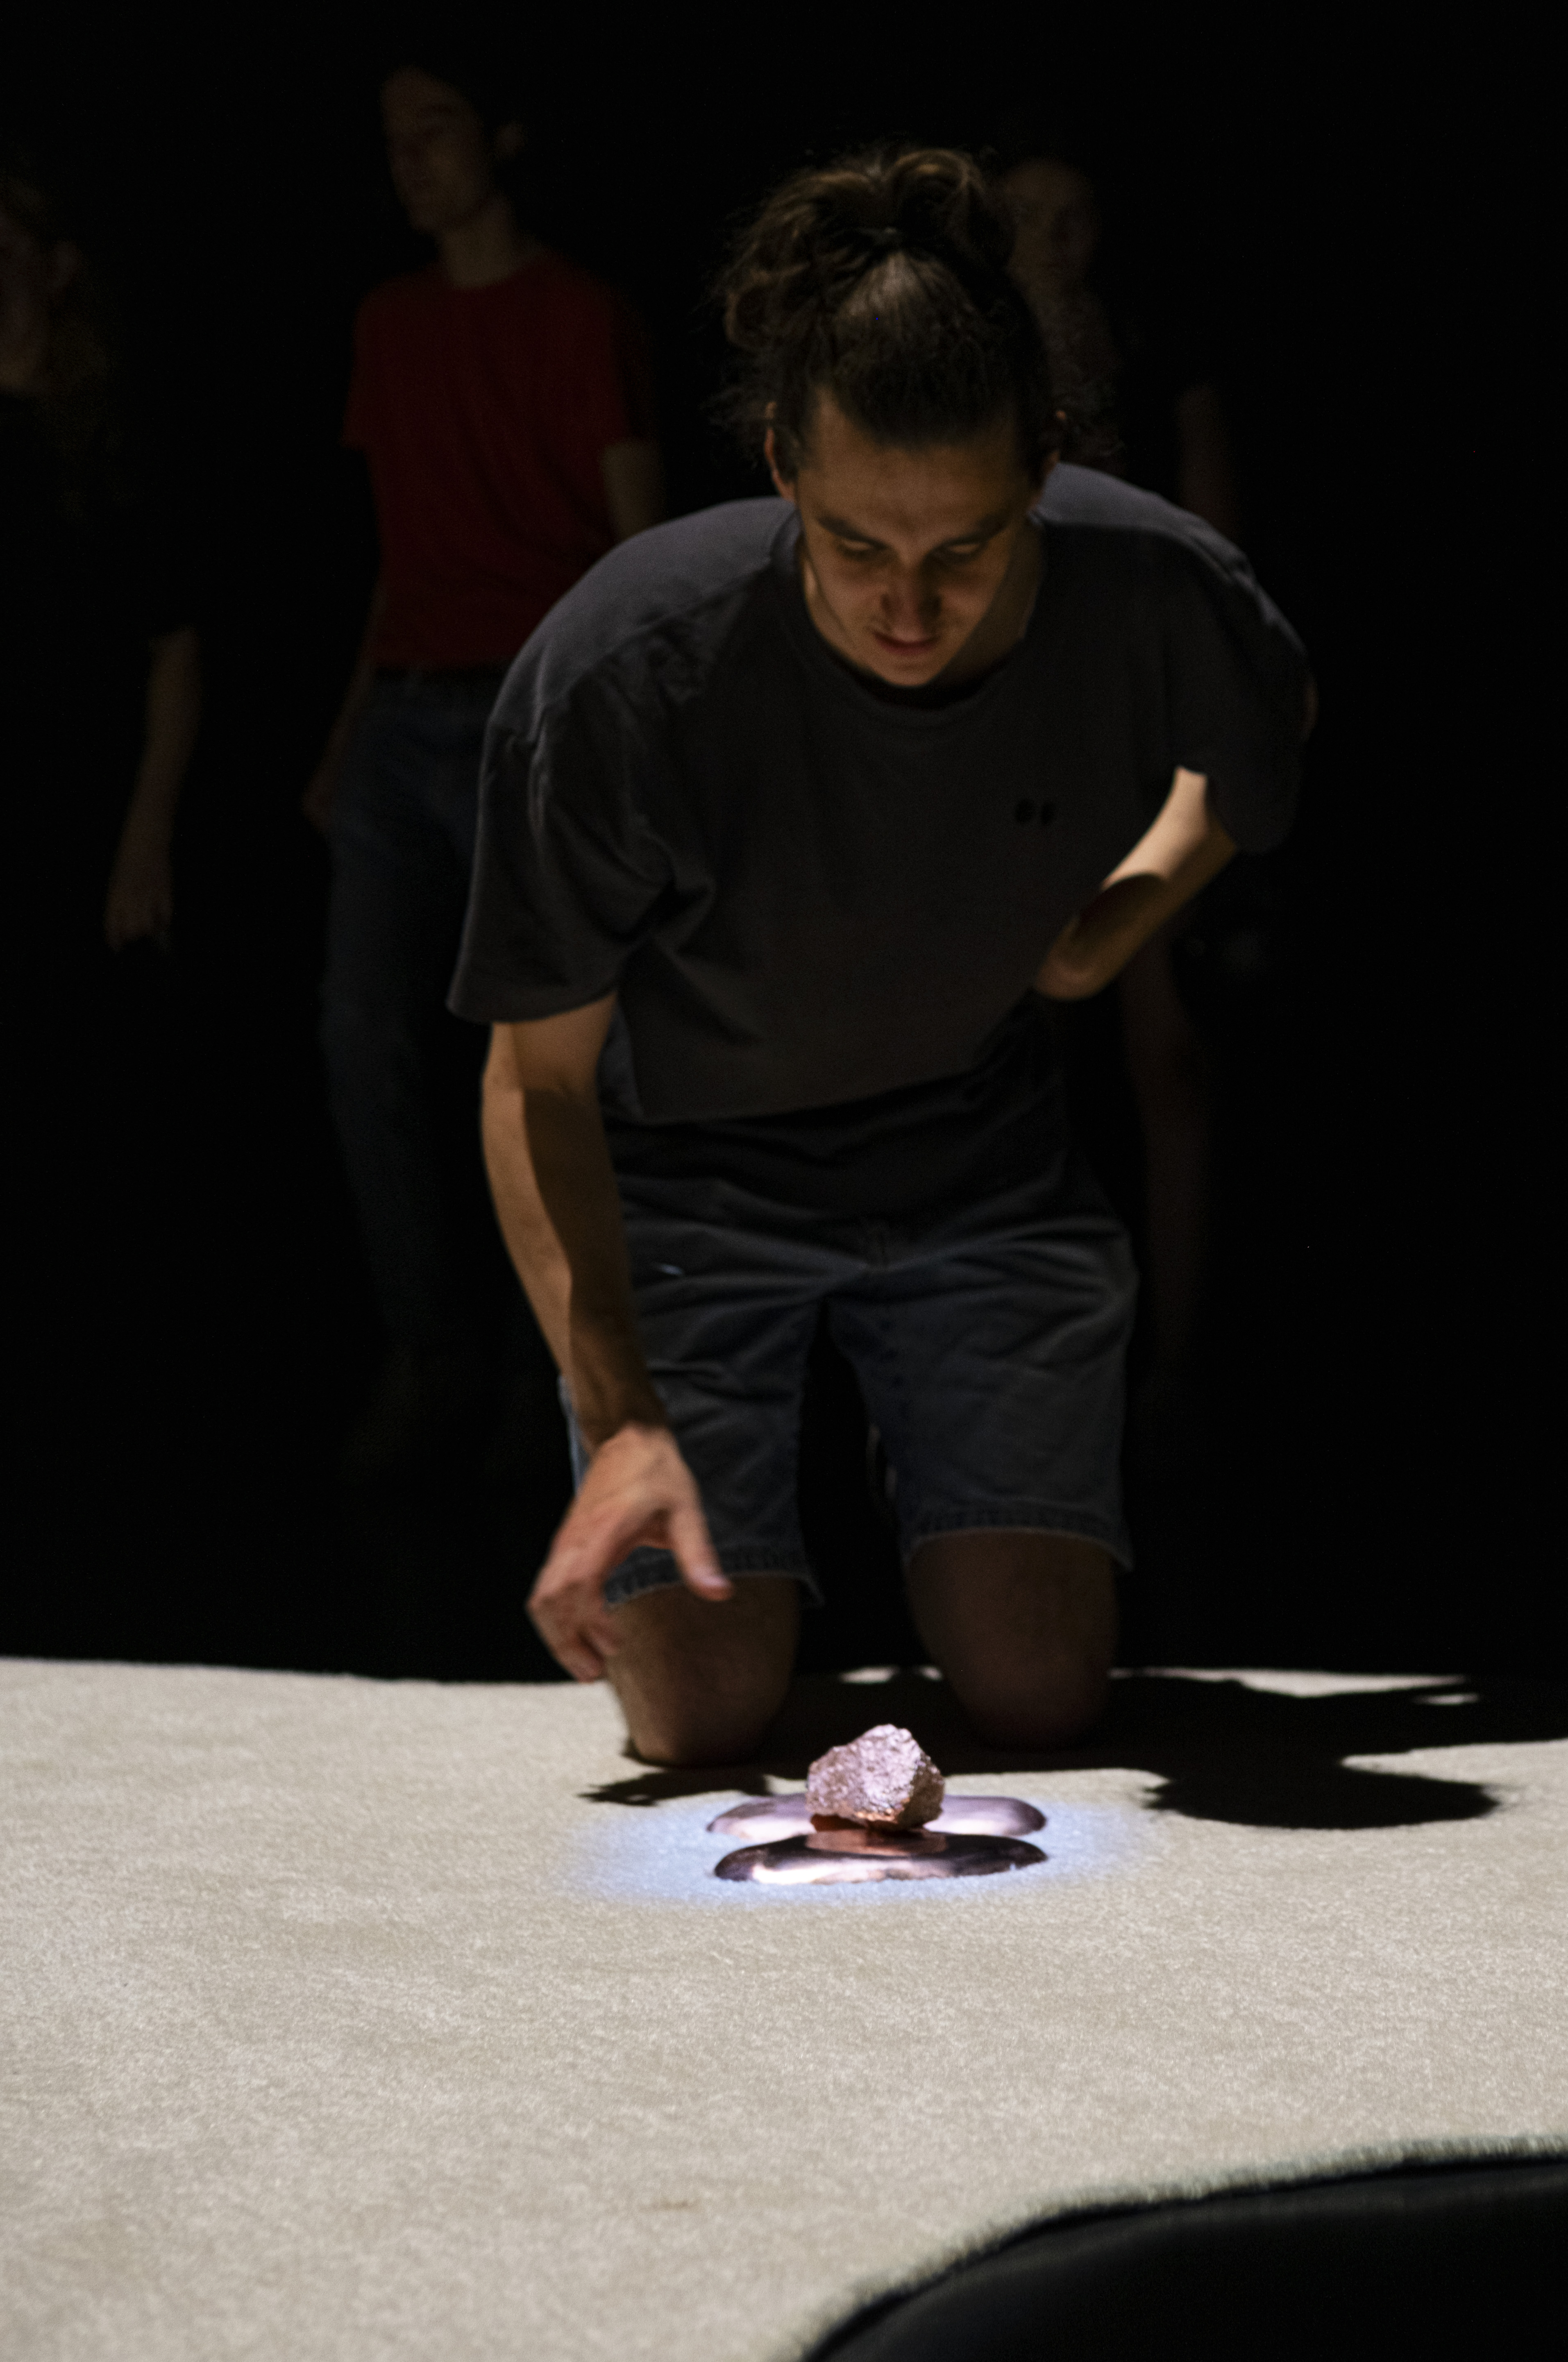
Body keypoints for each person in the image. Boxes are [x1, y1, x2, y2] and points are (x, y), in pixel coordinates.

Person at [453, 145, 1312, 1761]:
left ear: (1043, 462)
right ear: (783, 462)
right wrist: (618, 1411)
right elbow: (533, 1084)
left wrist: (1108, 932)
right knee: (698, 1712)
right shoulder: (628, 671)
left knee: (1039, 1689)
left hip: (975, 1162)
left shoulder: (1154, 586)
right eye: (857, 549)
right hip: (688, 1180)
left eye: (963, 551)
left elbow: (1260, 745)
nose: (908, 612)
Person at [306, 48, 664, 1480]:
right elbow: (402, 553)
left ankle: (551, 1371)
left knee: (542, 1065)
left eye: (436, 129)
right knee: (363, 1034)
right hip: (408, 716)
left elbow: (638, 548)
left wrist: (626, 741)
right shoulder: (389, 322)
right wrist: (348, 735)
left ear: (502, 138)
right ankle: (430, 1349)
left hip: (533, 715)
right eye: (394, 137)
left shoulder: (578, 314)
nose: (411, 160)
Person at [998, 140, 1242, 1423]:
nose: (1053, 242)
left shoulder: (1153, 361)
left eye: (1075, 216)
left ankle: (1180, 1369)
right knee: (1027, 1059)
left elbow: (1216, 561)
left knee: (1169, 1052)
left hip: (1146, 737)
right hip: (1015, 745)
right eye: (1028, 217)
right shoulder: (978, 369)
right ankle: (1033, 1376)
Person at [2, 159, 203, 972]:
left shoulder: (111, 442)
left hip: (80, 802)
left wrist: (146, 837)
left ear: (57, 269)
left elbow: (176, 646)